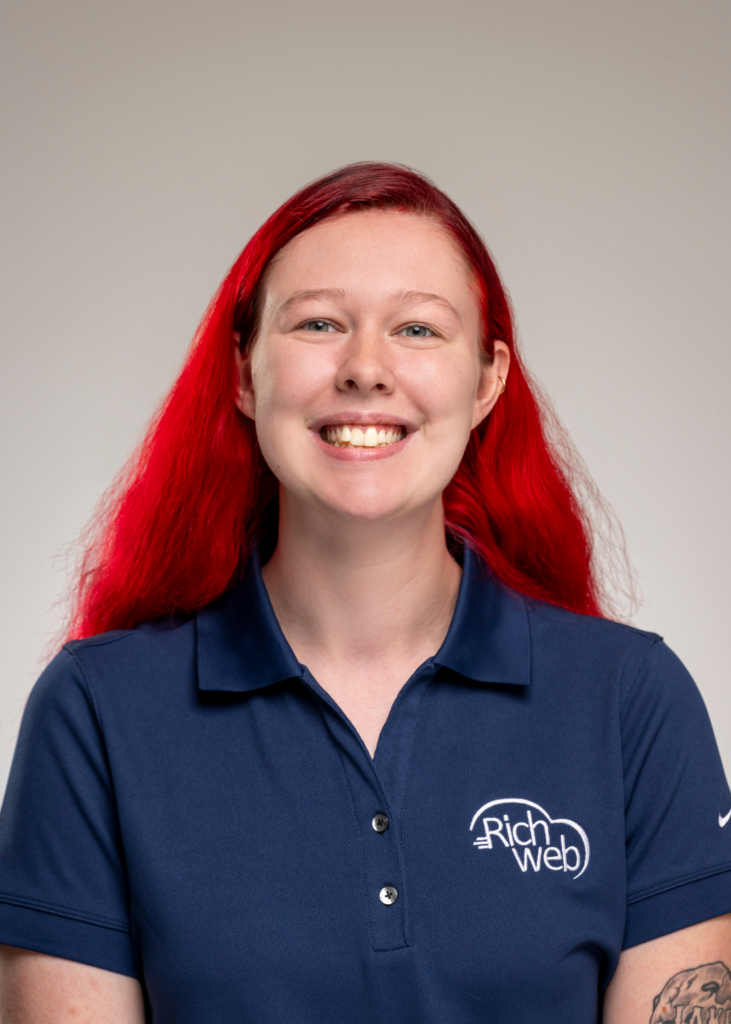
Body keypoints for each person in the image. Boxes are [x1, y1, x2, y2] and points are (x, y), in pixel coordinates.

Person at [0, 162, 729, 1024]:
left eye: (417, 328)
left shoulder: (629, 701)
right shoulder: (95, 710)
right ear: (244, 374)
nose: (366, 369)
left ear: (486, 381)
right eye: (318, 323)